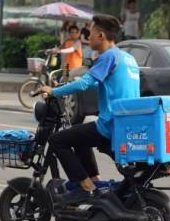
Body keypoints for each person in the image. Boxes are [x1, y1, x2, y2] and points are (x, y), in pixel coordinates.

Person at [40, 15, 140, 204]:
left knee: (56, 140)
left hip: (110, 124)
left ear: (101, 35)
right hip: (126, 124)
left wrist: (53, 91)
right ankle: (94, 180)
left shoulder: (109, 55)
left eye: (90, 33)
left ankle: (83, 187)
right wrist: (66, 85)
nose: (88, 37)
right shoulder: (127, 58)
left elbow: (86, 83)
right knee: (80, 138)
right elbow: (105, 84)